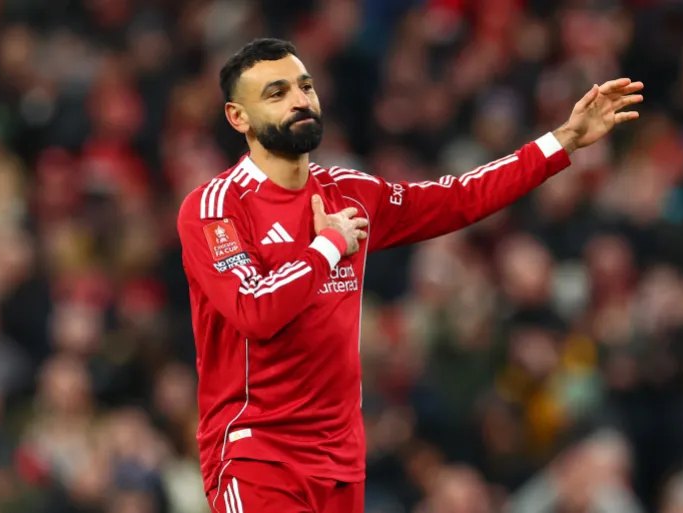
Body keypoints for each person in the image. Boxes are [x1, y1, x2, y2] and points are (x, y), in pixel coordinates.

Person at [176, 38, 643, 513]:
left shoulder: (351, 193)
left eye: (305, 86)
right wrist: (329, 246)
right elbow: (255, 310)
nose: (300, 100)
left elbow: (460, 197)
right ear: (238, 117)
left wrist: (563, 140)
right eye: (277, 93)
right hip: (257, 454)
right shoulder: (215, 208)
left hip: (340, 460)